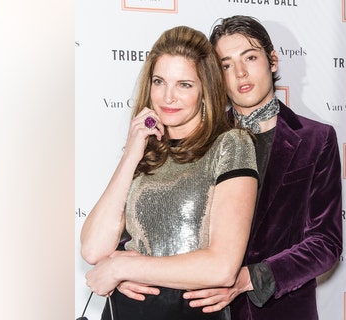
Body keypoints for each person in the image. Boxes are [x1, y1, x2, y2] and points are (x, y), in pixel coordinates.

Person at [80, 25, 259, 320]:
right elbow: (93, 249)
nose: (167, 97)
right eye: (159, 81)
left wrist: (121, 267)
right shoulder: (146, 151)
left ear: (205, 89)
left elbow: (222, 267)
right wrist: (131, 154)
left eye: (184, 84)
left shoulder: (231, 144)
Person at [180, 15, 343, 320]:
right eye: (226, 65)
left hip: (282, 311)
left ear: (272, 60)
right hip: (207, 310)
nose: (240, 73)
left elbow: (326, 243)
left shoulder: (317, 139)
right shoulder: (202, 141)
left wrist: (251, 278)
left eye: (250, 57)